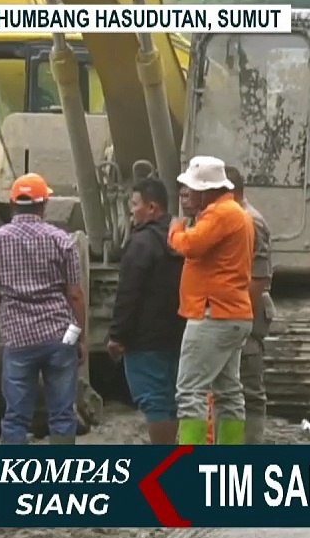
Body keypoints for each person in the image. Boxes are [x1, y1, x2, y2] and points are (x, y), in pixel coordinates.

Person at [0, 173, 87, 444]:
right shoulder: (62, 240)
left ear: (12, 203)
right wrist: (80, 338)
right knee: (62, 415)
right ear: (44, 204)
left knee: (15, 417)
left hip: (19, 341)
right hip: (60, 337)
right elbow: (75, 295)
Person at [168, 156, 255, 445]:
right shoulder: (236, 212)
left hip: (213, 314)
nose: (186, 195)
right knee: (228, 392)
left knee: (190, 390)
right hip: (232, 313)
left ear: (206, 190)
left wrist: (176, 230)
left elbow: (190, 245)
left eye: (191, 189)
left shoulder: (220, 214)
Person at [107, 178, 186, 444]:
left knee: (154, 402)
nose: (131, 210)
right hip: (179, 334)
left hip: (145, 340)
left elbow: (128, 294)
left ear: (152, 208)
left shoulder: (141, 243)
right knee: (175, 399)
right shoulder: (183, 238)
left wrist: (117, 336)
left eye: (134, 204)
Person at [225, 166, 275, 444]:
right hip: (238, 308)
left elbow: (258, 276)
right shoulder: (237, 218)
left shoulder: (250, 221)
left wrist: (239, 315)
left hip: (246, 310)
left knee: (248, 388)